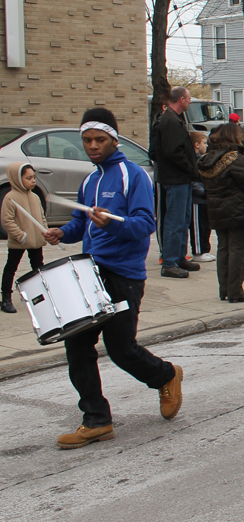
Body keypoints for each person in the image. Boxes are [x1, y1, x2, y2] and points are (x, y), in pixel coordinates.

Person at [43, 108, 183, 449]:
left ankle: (166, 375)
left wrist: (113, 223)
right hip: (90, 274)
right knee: (76, 346)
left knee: (121, 350)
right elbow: (83, 224)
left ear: (114, 139)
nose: (92, 145)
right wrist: (63, 232)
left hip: (124, 276)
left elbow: (144, 225)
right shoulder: (90, 179)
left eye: (99, 139)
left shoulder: (132, 175)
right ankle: (96, 420)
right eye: (87, 140)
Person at [198, 123, 244, 303]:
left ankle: (224, 289)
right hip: (236, 208)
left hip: (215, 208)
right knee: (237, 250)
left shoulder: (207, 159)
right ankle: (235, 291)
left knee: (223, 248)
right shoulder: (235, 158)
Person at [156, 86, 200, 278]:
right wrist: (190, 168)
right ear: (181, 99)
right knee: (175, 220)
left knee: (183, 219)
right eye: (189, 99)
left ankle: (180, 257)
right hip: (176, 178)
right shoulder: (170, 121)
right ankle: (170, 262)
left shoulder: (174, 119)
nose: (190, 102)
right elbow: (173, 152)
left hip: (181, 178)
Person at [1, 162, 46, 314]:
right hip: (19, 241)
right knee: (11, 268)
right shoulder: (10, 198)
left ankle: (41, 295)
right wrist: (20, 236)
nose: (33, 181)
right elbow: (7, 221)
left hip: (36, 241)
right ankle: (6, 298)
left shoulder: (35, 197)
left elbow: (41, 217)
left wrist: (44, 232)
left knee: (38, 268)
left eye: (34, 177)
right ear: (17, 179)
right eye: (29, 178)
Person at [148, 92, 170, 263]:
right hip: (163, 175)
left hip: (172, 175)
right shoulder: (160, 124)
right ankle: (164, 251)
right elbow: (153, 152)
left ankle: (174, 250)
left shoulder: (174, 123)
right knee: (162, 212)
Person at [189, 131, 215, 262]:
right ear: (196, 144)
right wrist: (203, 192)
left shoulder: (203, 159)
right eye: (204, 143)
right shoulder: (193, 160)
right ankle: (198, 251)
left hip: (204, 199)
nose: (206, 146)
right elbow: (192, 181)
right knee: (198, 226)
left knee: (206, 226)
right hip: (197, 199)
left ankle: (205, 249)